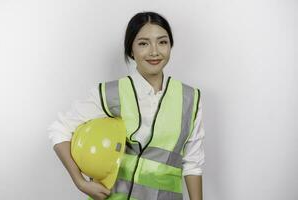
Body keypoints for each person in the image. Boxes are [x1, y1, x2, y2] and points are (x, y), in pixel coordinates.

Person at [48, 11, 205, 200]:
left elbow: (192, 163)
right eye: (143, 43)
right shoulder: (110, 93)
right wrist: (80, 182)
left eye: (162, 42)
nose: (154, 51)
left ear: (170, 45)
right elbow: (60, 129)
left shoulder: (190, 98)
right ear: (131, 50)